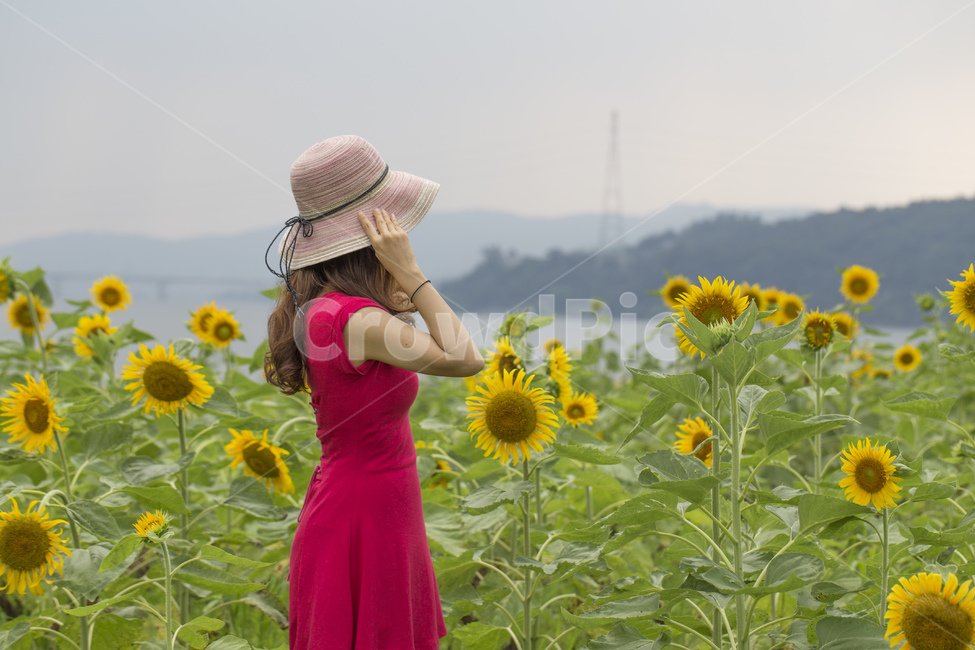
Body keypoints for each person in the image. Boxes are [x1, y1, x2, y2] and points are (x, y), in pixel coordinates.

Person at [263, 135, 484, 649]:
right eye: (396, 232)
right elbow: (465, 358)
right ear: (373, 240)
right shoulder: (352, 319)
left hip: (369, 508)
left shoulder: (329, 310)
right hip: (365, 519)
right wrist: (410, 272)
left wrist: (397, 293)